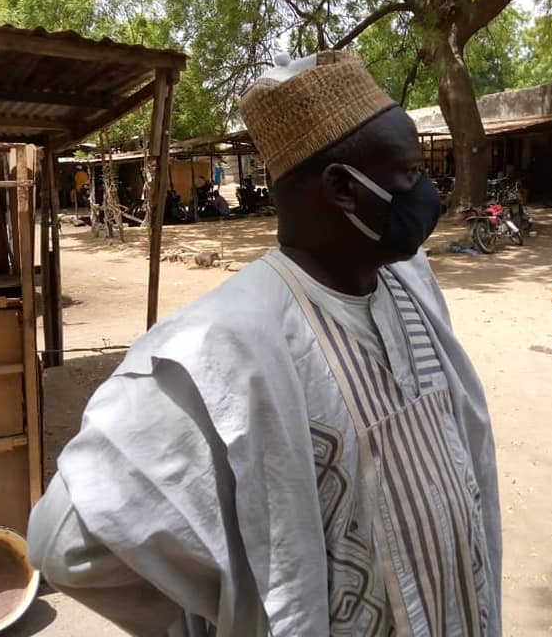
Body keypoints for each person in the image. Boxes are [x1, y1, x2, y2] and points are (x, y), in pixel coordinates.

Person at [28, 50, 502, 637]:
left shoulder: (411, 282)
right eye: (409, 173)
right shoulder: (227, 343)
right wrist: (224, 609)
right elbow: (63, 540)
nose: (427, 190)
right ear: (343, 189)